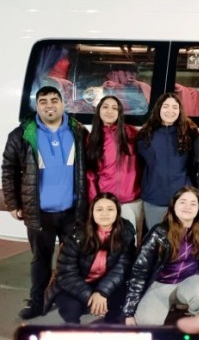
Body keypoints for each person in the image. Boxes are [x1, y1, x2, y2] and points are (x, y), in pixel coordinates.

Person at [1, 85, 88, 319]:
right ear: (37, 106)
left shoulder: (79, 132)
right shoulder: (22, 134)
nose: (49, 105)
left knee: (73, 260)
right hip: (39, 214)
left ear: (63, 103)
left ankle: (71, 299)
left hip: (72, 212)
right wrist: (12, 203)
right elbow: (8, 169)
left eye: (54, 100)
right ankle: (37, 303)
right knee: (40, 261)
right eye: (43, 101)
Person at [122, 186, 199, 325]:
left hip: (190, 281)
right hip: (160, 285)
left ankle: (198, 326)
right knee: (147, 323)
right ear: (174, 206)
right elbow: (139, 271)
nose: (187, 207)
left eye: (193, 203)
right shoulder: (158, 233)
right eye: (182, 202)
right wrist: (129, 312)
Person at [44, 192, 136, 323]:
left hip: (103, 281)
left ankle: (111, 325)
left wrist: (102, 292)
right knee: (72, 308)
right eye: (99, 209)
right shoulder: (77, 232)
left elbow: (122, 267)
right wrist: (91, 297)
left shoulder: (125, 231)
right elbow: (66, 273)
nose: (105, 213)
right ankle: (73, 329)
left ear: (117, 212)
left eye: (110, 209)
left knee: (122, 297)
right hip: (75, 283)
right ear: (92, 212)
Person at [86, 95, 144, 245]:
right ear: (99, 111)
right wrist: (96, 201)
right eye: (105, 107)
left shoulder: (131, 133)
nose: (110, 111)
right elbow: (90, 174)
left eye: (114, 108)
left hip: (133, 201)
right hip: (107, 202)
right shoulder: (92, 138)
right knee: (109, 245)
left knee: (134, 244)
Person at [137, 93, 199, 229]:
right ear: (158, 108)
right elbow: (142, 164)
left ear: (180, 110)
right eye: (166, 106)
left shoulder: (190, 133)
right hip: (154, 198)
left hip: (182, 199)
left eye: (175, 107)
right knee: (157, 241)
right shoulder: (145, 134)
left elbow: (194, 164)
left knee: (182, 243)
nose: (170, 111)